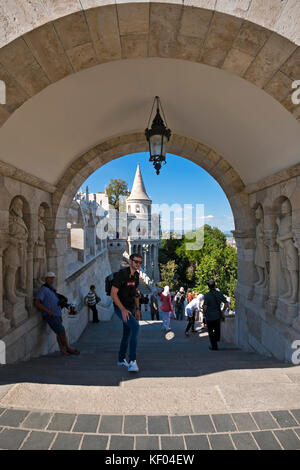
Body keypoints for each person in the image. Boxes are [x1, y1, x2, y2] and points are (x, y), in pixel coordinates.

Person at [34, 272, 80, 356]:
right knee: (62, 331)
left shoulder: (51, 288)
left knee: (59, 332)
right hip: (51, 315)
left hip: (57, 313)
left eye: (53, 278)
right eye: (50, 278)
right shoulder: (43, 289)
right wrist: (48, 311)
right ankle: (68, 348)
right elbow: (37, 303)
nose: (52, 280)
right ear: (46, 279)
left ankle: (62, 350)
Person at [110, 253, 142, 372]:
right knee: (135, 327)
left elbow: (136, 293)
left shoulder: (137, 276)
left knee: (127, 333)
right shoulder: (121, 274)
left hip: (131, 307)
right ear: (130, 261)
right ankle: (132, 361)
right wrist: (123, 310)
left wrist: (138, 309)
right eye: (136, 261)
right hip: (120, 307)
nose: (138, 264)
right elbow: (113, 294)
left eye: (140, 262)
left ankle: (121, 359)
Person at [202, 280, 229, 351]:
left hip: (209, 316)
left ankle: (214, 346)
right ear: (214, 286)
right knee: (217, 330)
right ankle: (216, 340)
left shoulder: (207, 295)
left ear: (208, 287)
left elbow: (205, 307)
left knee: (210, 332)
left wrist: (204, 313)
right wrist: (223, 311)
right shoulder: (219, 294)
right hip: (217, 315)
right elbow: (226, 303)